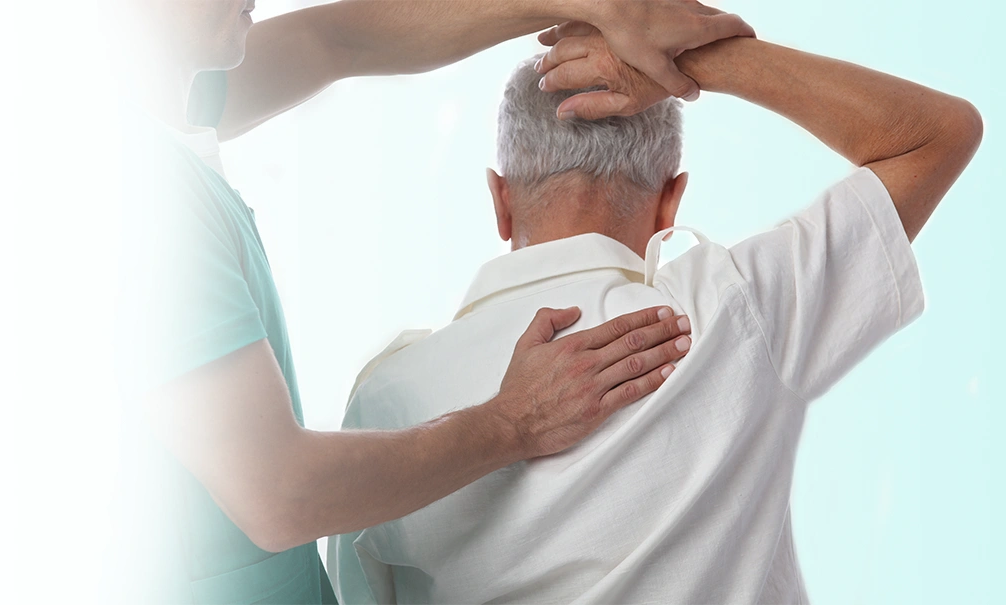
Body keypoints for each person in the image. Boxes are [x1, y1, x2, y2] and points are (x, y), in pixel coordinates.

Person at [115, 1, 754, 603]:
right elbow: (276, 493)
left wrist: (606, 10)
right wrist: (514, 421)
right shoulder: (132, 186)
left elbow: (337, 38)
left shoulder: (175, 116)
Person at [325, 25, 982, 605]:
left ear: (500, 200)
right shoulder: (732, 306)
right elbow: (937, 135)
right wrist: (693, 58)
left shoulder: (384, 399)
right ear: (671, 200)